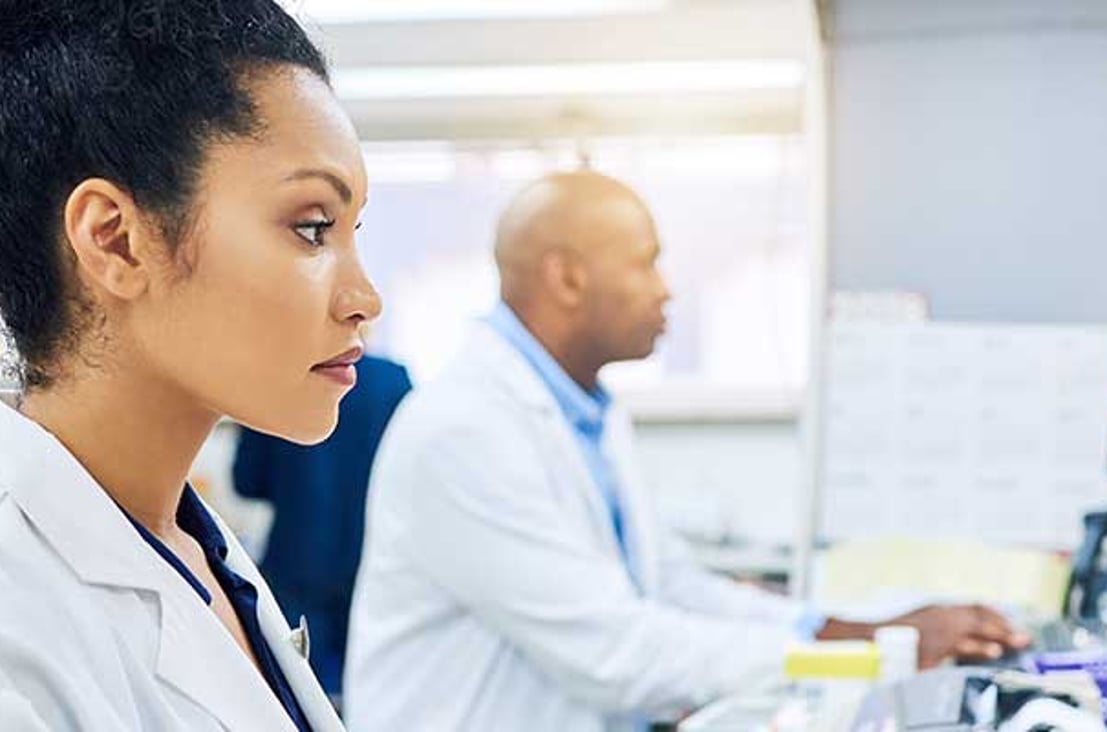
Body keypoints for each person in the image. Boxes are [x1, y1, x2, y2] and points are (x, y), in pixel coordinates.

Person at [346, 171, 1029, 731]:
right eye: (647, 262)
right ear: (568, 278)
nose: (667, 288)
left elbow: (668, 585)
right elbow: (617, 652)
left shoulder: (583, 411)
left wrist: (846, 625)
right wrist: (866, 650)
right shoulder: (467, 428)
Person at [0, 2, 379, 730]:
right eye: (311, 229)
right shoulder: (18, 616)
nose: (365, 297)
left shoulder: (189, 546)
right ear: (115, 241)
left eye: (351, 230)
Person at [233, 353, 413, 698]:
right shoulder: (394, 383)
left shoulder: (275, 381)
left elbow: (247, 481)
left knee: (293, 698)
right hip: (371, 565)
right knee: (373, 698)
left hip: (296, 566)